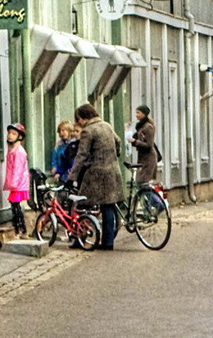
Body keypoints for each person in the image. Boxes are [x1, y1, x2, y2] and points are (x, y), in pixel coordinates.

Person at [71, 103, 126, 249]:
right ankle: (108, 242)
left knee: (82, 204)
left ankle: (80, 239)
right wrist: (115, 155)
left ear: (84, 118)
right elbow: (118, 141)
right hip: (112, 171)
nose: (79, 124)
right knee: (107, 206)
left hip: (95, 174)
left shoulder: (88, 131)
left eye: (79, 120)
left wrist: (72, 177)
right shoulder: (106, 125)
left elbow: (81, 155)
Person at [2, 123, 32, 234]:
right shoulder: (13, 149)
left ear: (19, 136)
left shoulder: (19, 152)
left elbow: (18, 170)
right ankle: (19, 228)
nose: (10, 136)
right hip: (15, 182)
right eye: (9, 133)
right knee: (15, 205)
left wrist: (13, 184)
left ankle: (20, 229)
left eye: (13, 134)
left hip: (17, 183)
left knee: (15, 206)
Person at [130, 106, 161, 187]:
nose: (136, 115)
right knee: (141, 183)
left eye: (138, 113)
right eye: (136, 112)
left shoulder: (148, 127)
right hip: (143, 158)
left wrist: (135, 141)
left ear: (144, 114)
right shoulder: (141, 126)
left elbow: (149, 145)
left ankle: (154, 199)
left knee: (144, 183)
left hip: (148, 159)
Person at [49, 120, 80, 187]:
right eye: (59, 131)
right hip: (62, 175)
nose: (61, 133)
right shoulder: (59, 145)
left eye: (63, 131)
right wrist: (55, 167)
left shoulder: (75, 144)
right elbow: (55, 157)